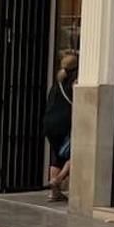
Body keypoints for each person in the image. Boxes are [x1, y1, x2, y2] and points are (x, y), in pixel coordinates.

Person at [43, 53, 77, 202]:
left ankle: (54, 193)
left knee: (57, 156)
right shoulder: (74, 83)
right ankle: (58, 180)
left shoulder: (56, 84)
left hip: (49, 123)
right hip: (64, 124)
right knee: (74, 153)